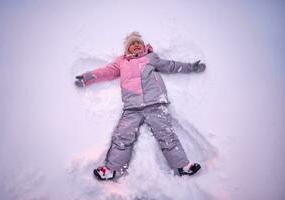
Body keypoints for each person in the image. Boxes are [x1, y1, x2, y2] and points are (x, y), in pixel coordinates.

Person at [75, 32, 205, 180]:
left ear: (144, 47)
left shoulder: (151, 58)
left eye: (139, 43)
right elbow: (106, 72)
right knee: (122, 137)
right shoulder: (121, 62)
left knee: (166, 135)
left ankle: (182, 166)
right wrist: (87, 77)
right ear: (127, 49)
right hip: (132, 108)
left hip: (155, 103)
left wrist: (190, 67)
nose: (136, 45)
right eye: (132, 44)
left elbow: (170, 66)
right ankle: (111, 169)